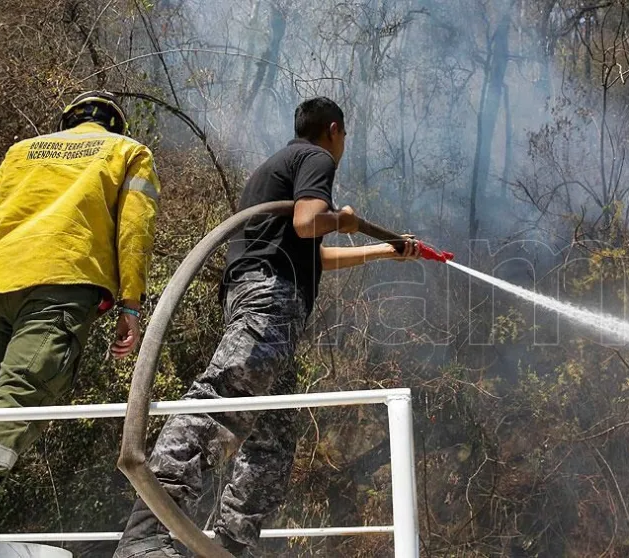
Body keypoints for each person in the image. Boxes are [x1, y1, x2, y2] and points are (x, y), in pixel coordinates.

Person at [113, 96, 419, 558]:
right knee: (223, 397)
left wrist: (382, 251)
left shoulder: (272, 169)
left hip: (263, 296)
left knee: (272, 439)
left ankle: (231, 544)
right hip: (270, 298)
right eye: (343, 137)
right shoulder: (315, 157)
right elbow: (309, 223)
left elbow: (311, 252)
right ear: (334, 130)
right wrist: (344, 221)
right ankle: (145, 533)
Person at [0, 91, 161, 558]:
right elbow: (135, 229)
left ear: (67, 121)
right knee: (16, 398)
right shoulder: (128, 152)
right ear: (115, 123)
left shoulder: (22, 152)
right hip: (64, 285)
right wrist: (130, 304)